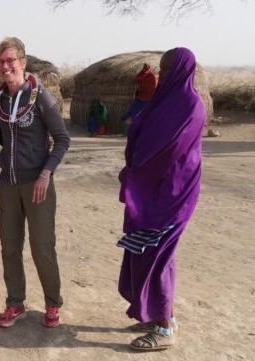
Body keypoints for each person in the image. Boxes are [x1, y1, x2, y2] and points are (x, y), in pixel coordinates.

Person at [117, 47, 205, 351]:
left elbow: (167, 152)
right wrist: (133, 169)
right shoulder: (161, 102)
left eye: (169, 70)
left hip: (173, 196)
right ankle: (156, 314)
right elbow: (140, 133)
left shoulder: (191, 106)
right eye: (162, 69)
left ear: (184, 71)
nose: (164, 74)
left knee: (159, 256)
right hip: (151, 193)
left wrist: (134, 173)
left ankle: (165, 327)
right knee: (143, 251)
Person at [0, 37, 70, 328]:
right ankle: (15, 303)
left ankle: (52, 304)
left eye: (11, 60)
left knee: (42, 247)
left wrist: (46, 173)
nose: (5, 66)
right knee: (9, 246)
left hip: (38, 184)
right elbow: (0, 135)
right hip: (9, 183)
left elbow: (62, 138)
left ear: (23, 63)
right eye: (0, 62)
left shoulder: (42, 97)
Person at [120, 63, 158, 135]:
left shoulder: (152, 77)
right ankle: (131, 130)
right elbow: (137, 80)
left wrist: (144, 87)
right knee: (132, 112)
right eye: (144, 68)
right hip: (141, 98)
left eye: (146, 68)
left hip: (150, 99)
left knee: (147, 115)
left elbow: (153, 87)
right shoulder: (141, 75)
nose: (145, 69)